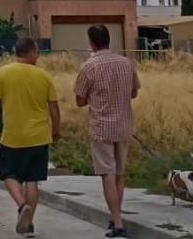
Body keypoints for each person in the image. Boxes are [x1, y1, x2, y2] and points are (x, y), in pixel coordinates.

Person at [0, 37, 60, 236]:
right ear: (29, 52)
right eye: (36, 52)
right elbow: (53, 106)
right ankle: (29, 225)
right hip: (38, 136)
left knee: (9, 174)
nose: (37, 56)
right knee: (32, 179)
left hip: (13, 135)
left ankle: (21, 206)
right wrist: (56, 130)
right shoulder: (43, 76)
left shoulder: (4, 72)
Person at [74, 25, 140, 239]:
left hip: (101, 127)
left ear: (91, 42)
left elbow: (79, 100)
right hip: (123, 125)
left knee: (107, 175)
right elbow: (134, 92)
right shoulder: (126, 63)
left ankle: (118, 222)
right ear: (109, 40)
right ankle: (115, 215)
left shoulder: (88, 67)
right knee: (119, 175)